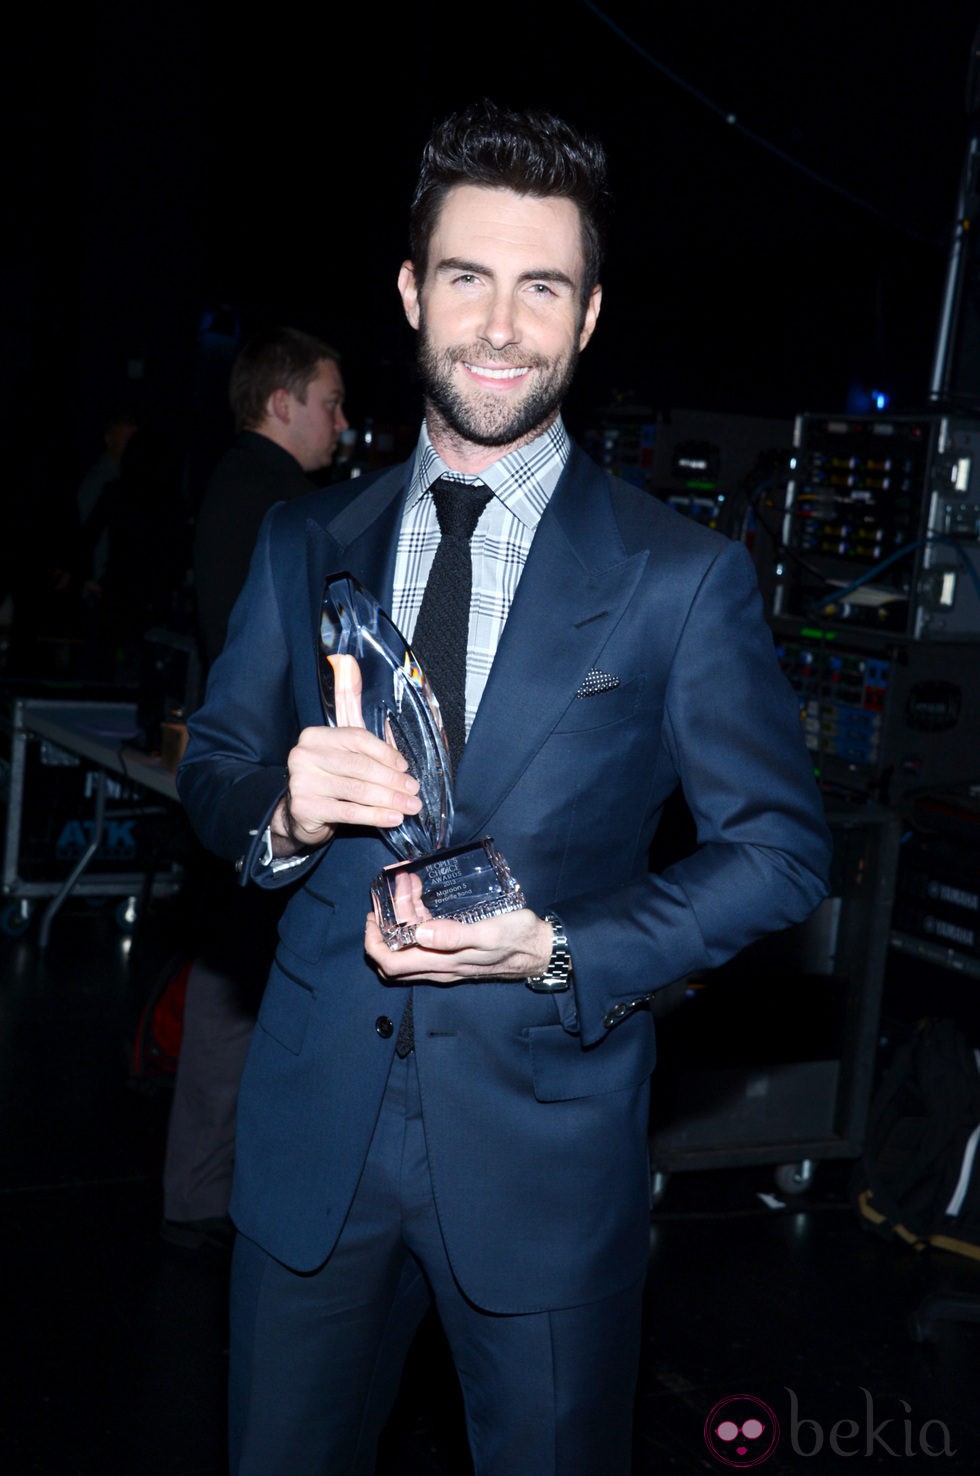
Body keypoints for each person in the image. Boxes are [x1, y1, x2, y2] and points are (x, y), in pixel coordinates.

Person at [177, 100, 833, 1475]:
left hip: (546, 1152)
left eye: (543, 286)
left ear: (588, 318)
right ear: (412, 293)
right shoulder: (307, 541)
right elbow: (218, 772)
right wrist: (284, 817)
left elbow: (779, 854)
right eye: (467, 276)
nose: (499, 323)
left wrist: (558, 949)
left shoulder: (679, 578)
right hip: (312, 1150)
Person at [161, 327, 349, 1250]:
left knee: (223, 994)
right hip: (276, 792)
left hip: (244, 786)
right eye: (329, 403)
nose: (343, 426)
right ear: (281, 403)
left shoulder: (228, 487)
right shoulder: (289, 511)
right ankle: (228, 1205)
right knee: (250, 1010)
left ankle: (201, 1195)